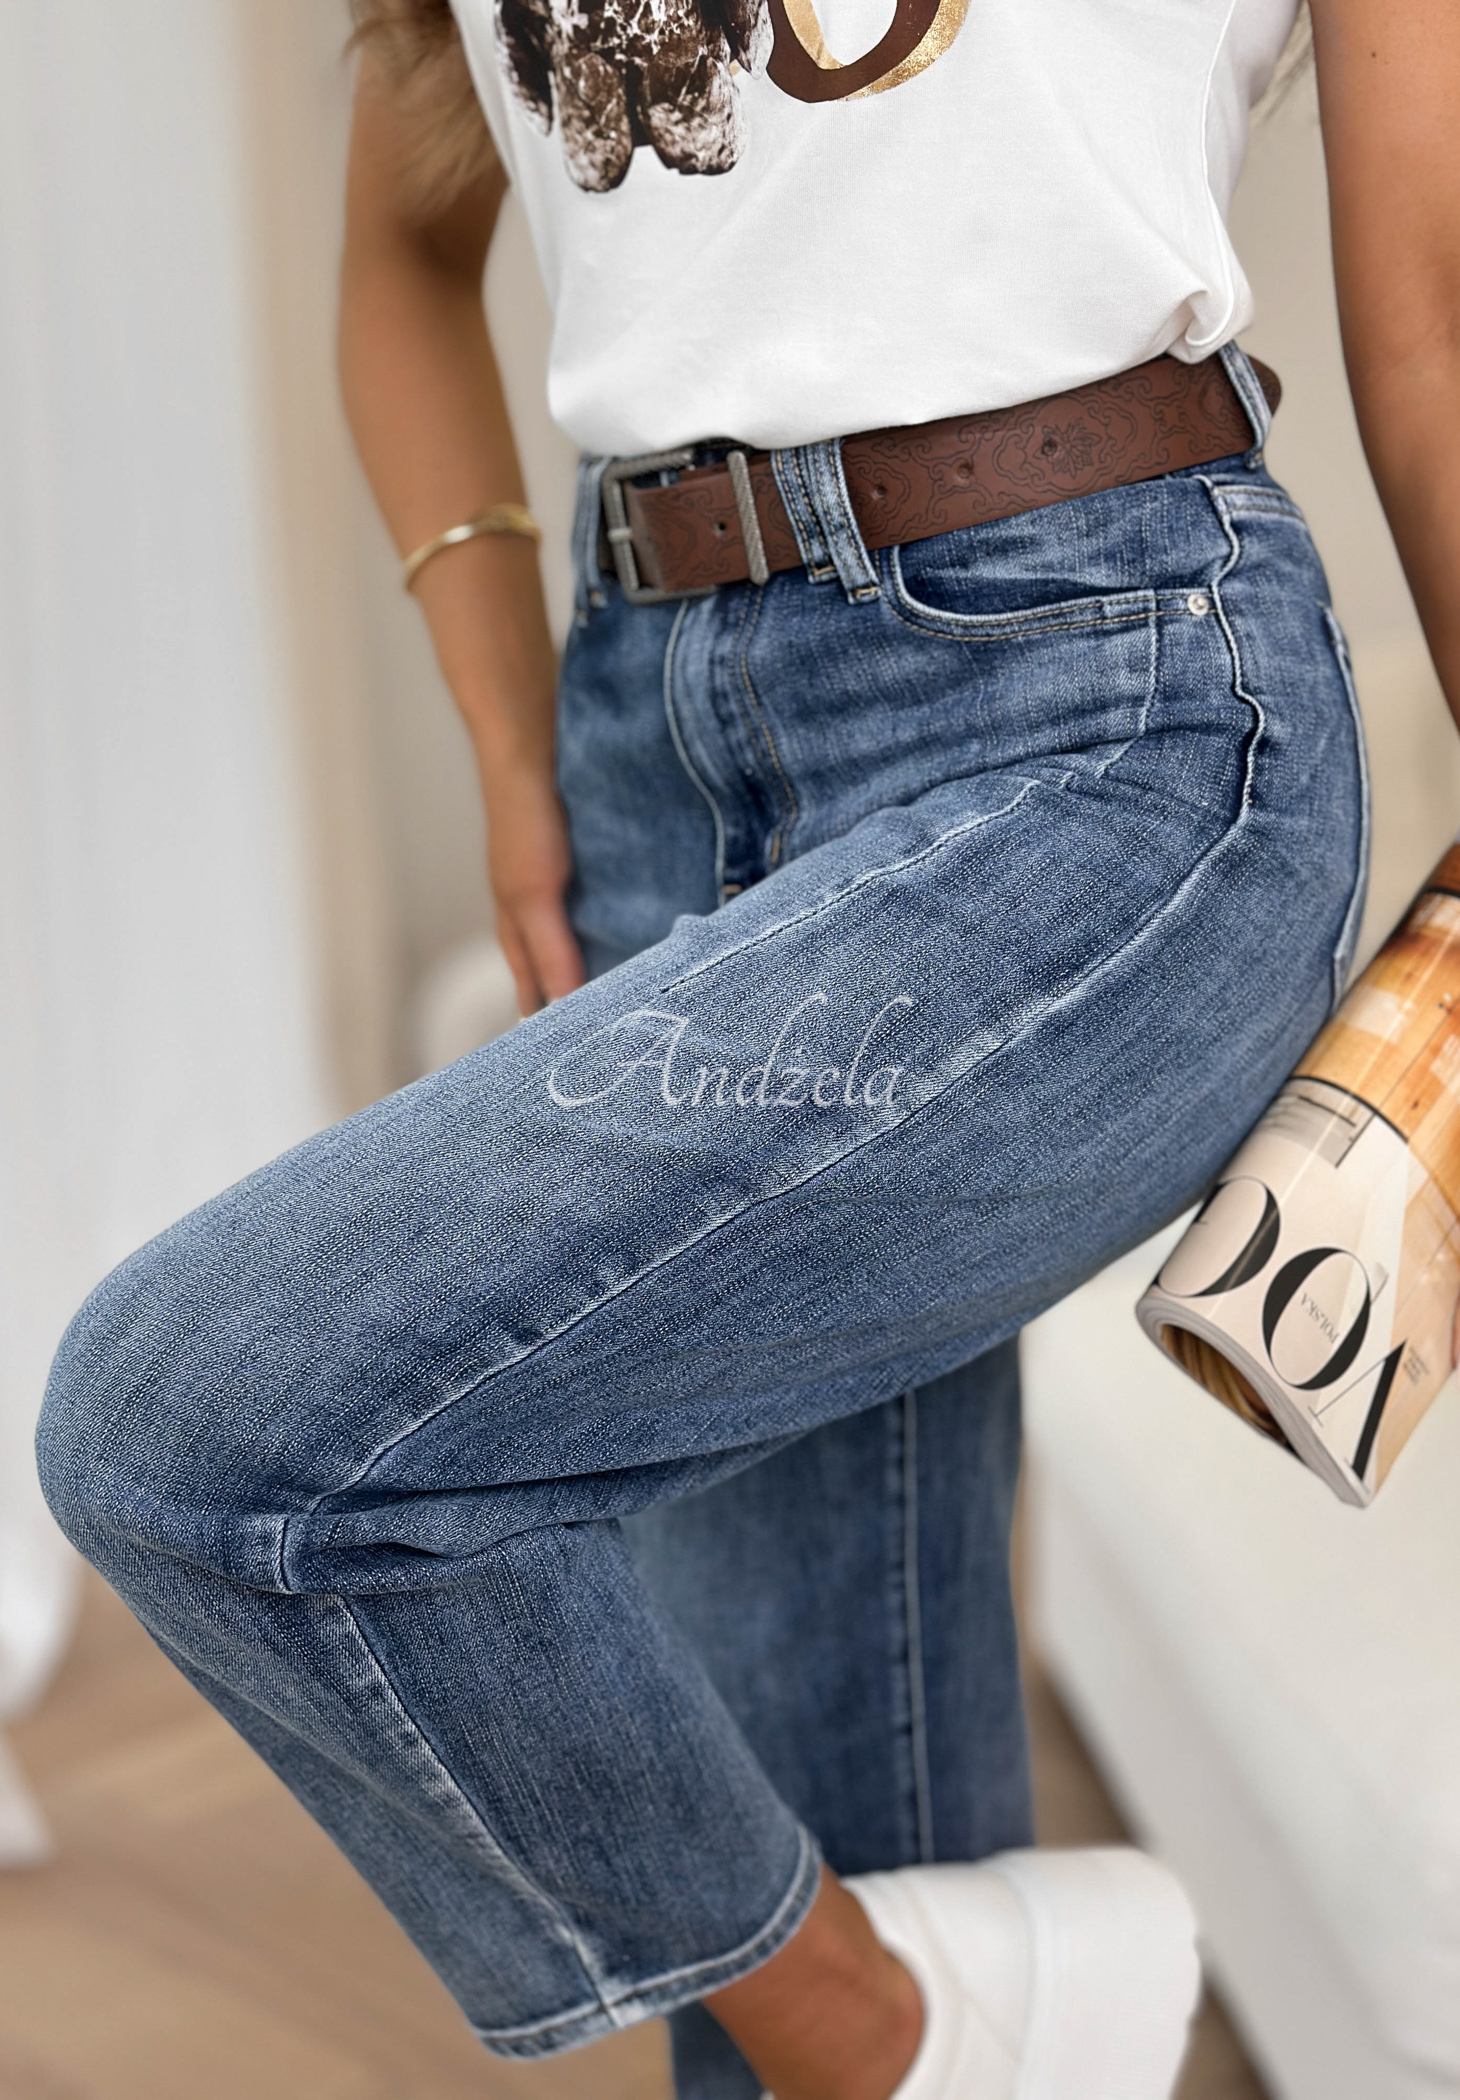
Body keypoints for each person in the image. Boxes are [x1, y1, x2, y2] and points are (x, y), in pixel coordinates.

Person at [34, 0, 1460, 2093]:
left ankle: (880, 2029)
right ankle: (920, 2017)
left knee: (196, 1421)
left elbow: (1431, 319)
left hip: (1115, 715)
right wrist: (512, 737)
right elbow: (402, 256)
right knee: (815, 1762)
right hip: (655, 744)